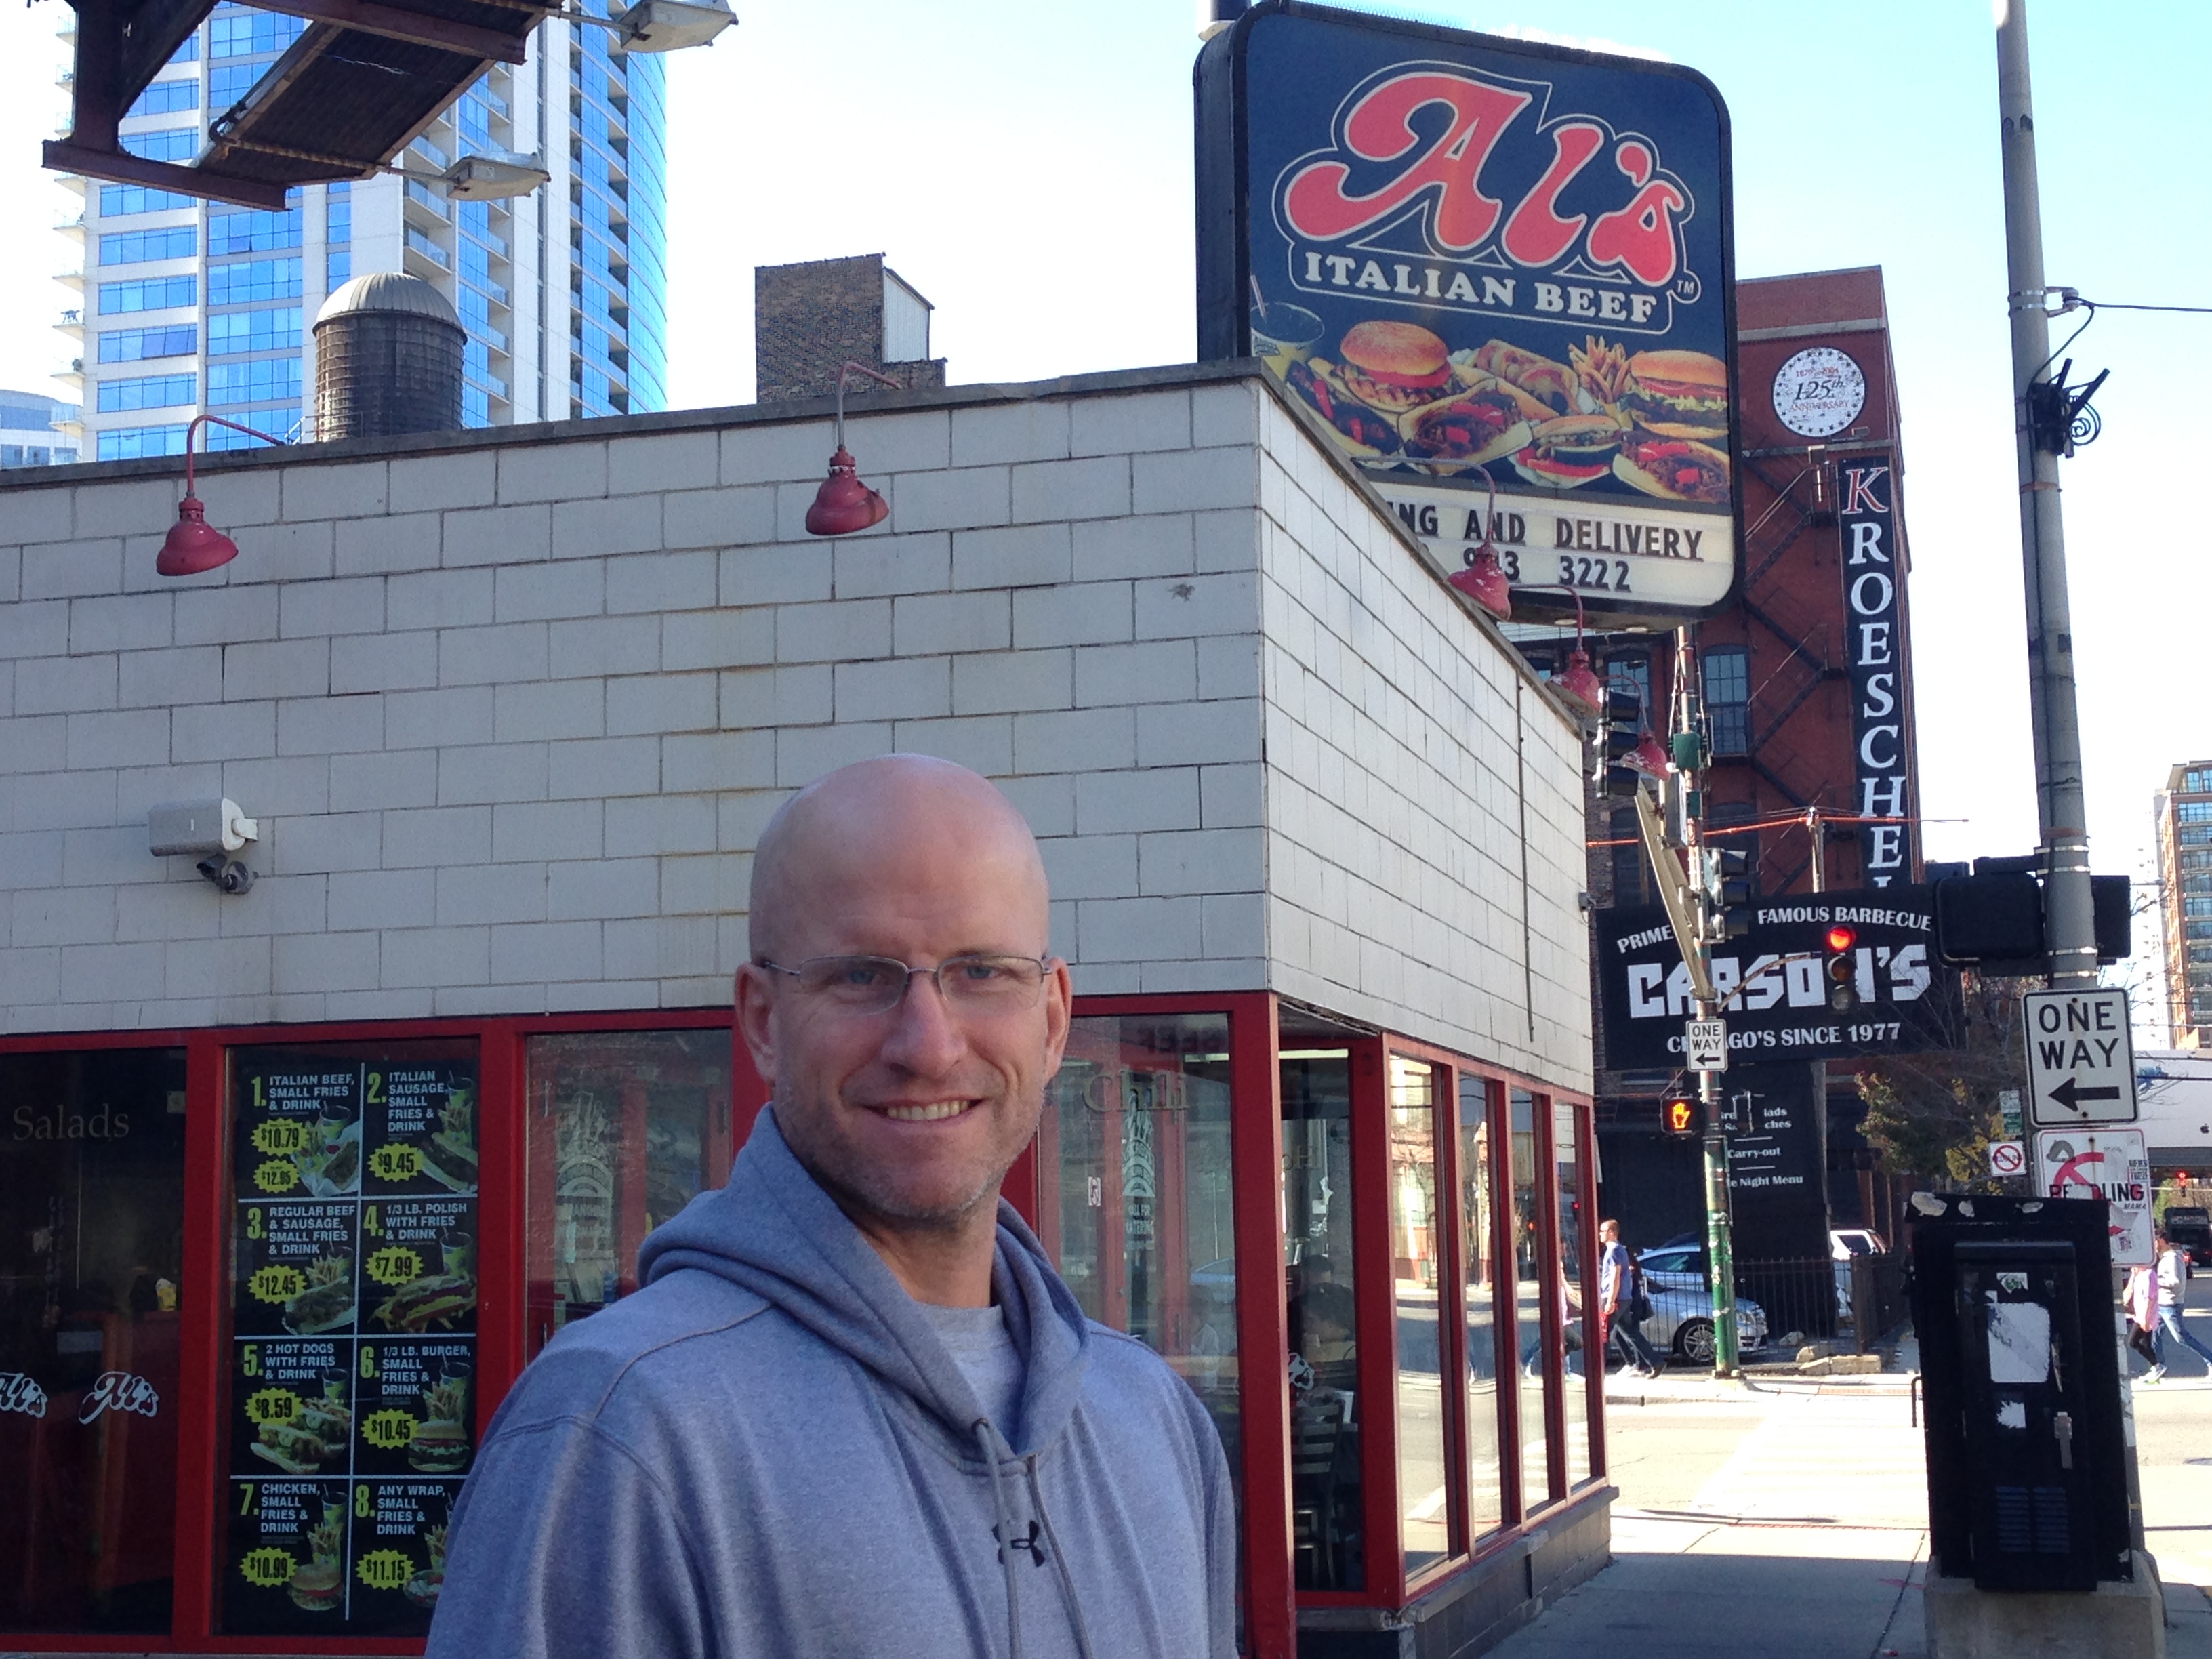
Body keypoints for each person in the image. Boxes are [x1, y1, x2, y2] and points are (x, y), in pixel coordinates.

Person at [427, 756, 1237, 1659]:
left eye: (981, 972)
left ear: (1051, 1021)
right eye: (860, 976)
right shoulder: (618, 1434)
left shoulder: (1152, 1417)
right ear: (765, 1021)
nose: (928, 1046)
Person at [1597, 1220, 1663, 1380]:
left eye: (1603, 1231)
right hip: (1624, 1298)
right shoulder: (1619, 1250)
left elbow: (1615, 1276)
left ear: (1612, 1232)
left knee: (1603, 1332)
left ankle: (1596, 1370)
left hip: (1615, 1298)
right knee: (1630, 1332)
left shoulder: (1614, 1251)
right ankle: (1655, 1361)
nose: (1600, 1234)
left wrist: (1611, 1301)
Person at [2154, 1229, 2212, 1376]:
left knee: (2182, 1338)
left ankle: (2210, 1361)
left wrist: (2156, 1282)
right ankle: (2158, 1366)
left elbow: (2176, 1281)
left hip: (2170, 1305)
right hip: (2161, 1303)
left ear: (2160, 1241)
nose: (2153, 1246)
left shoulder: (2173, 1258)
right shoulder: (2165, 1257)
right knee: (2154, 1336)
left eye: (2154, 1242)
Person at [2125, 1258, 2160, 1380]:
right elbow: (2129, 1292)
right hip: (2140, 1314)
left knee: (2133, 1342)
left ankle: (2157, 1366)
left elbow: (2150, 1299)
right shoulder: (2140, 1275)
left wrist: (2146, 1318)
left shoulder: (2149, 1275)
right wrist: (2133, 1275)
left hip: (2145, 1316)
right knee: (2146, 1344)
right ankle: (2155, 1370)